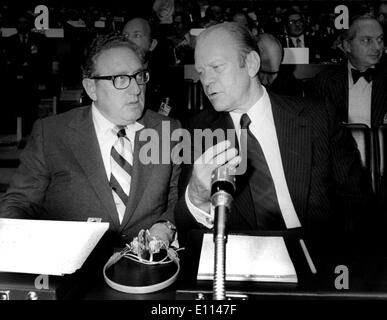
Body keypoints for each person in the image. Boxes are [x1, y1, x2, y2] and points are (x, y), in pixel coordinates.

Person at [174, 22, 374, 254]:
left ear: (251, 64)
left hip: (319, 254)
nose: (205, 81)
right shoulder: (196, 132)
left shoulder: (317, 116)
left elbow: (356, 201)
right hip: (241, 259)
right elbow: (187, 233)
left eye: (216, 67)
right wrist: (197, 197)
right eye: (201, 72)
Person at [0, 33, 181, 260]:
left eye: (139, 76)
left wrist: (166, 226)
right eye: (121, 79)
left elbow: (177, 201)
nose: (136, 89)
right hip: (68, 269)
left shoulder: (168, 131)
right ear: (91, 88)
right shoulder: (52, 133)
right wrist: (23, 250)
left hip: (145, 270)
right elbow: (19, 203)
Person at [312, 16, 387, 128]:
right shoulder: (325, 81)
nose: (377, 47)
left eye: (380, 39)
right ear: (347, 45)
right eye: (367, 40)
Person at [4, 11, 51, 135]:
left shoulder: (40, 39)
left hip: (33, 80)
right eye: (19, 23)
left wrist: (42, 81)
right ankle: (16, 131)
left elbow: (44, 61)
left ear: (30, 24)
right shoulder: (9, 41)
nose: (22, 25)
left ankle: (32, 132)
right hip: (15, 80)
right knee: (16, 107)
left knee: (32, 107)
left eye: (25, 23)